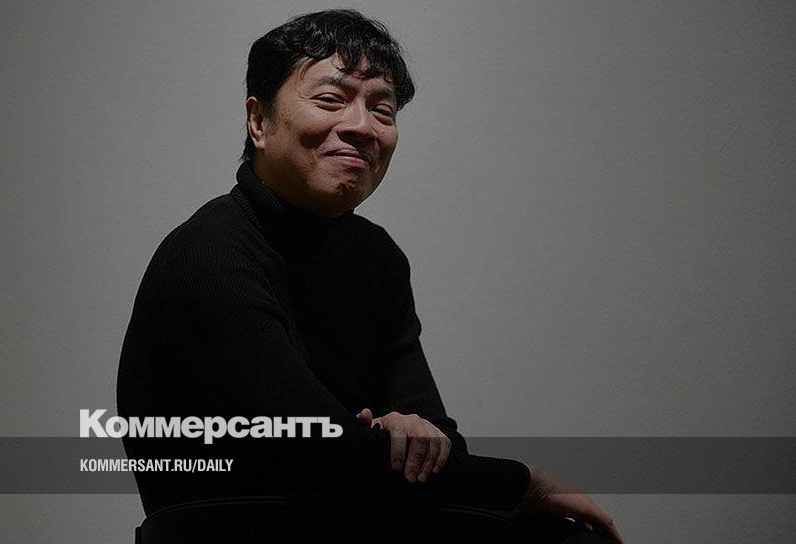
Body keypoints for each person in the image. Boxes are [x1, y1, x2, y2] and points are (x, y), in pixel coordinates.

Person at [117, 9, 623, 543]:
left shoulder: (375, 256)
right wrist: (527, 483)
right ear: (259, 121)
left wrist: (407, 437)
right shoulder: (207, 257)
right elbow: (323, 453)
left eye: (382, 109)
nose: (362, 127)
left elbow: (438, 442)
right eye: (330, 100)